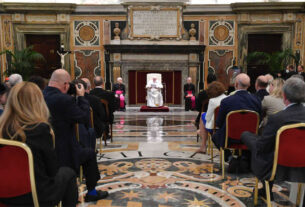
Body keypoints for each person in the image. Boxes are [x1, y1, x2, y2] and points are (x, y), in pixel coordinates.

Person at [0, 82, 78, 206]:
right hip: (35, 196)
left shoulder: (2, 129)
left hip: (4, 195)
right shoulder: (40, 129)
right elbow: (52, 171)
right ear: (37, 102)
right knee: (68, 173)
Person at [43, 69, 108, 202]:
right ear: (66, 85)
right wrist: (81, 97)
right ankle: (92, 192)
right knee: (90, 153)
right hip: (64, 152)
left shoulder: (39, 96)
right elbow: (84, 118)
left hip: (44, 151)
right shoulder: (64, 100)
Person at [241, 77, 305, 199]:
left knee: (252, 140)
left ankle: (266, 190)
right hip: (303, 167)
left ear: (284, 96)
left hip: (276, 168)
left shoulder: (277, 119)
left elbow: (263, 147)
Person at [212, 73, 262, 149]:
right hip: (250, 137)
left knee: (215, 136)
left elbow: (219, 123)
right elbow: (259, 120)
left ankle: (228, 156)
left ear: (236, 84)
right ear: (248, 85)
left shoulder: (226, 101)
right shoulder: (256, 100)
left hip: (230, 138)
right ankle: (244, 157)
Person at [196, 81, 227, 153]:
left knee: (202, 115)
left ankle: (203, 146)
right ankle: (201, 132)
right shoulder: (227, 98)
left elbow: (207, 118)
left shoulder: (212, 101)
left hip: (215, 126)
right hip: (225, 125)